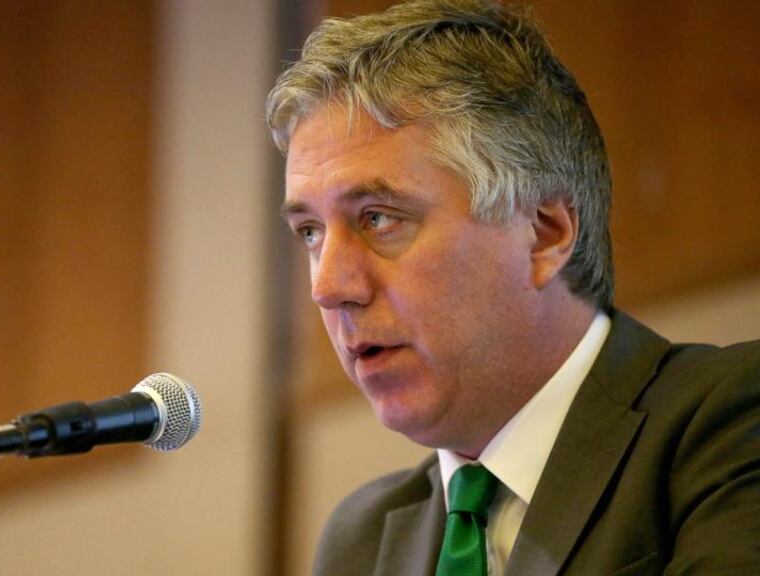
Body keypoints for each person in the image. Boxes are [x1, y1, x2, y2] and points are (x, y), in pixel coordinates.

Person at [265, 1, 760, 574]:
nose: (328, 287)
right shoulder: (363, 537)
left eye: (378, 217)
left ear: (544, 234)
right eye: (309, 232)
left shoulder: (729, 426)